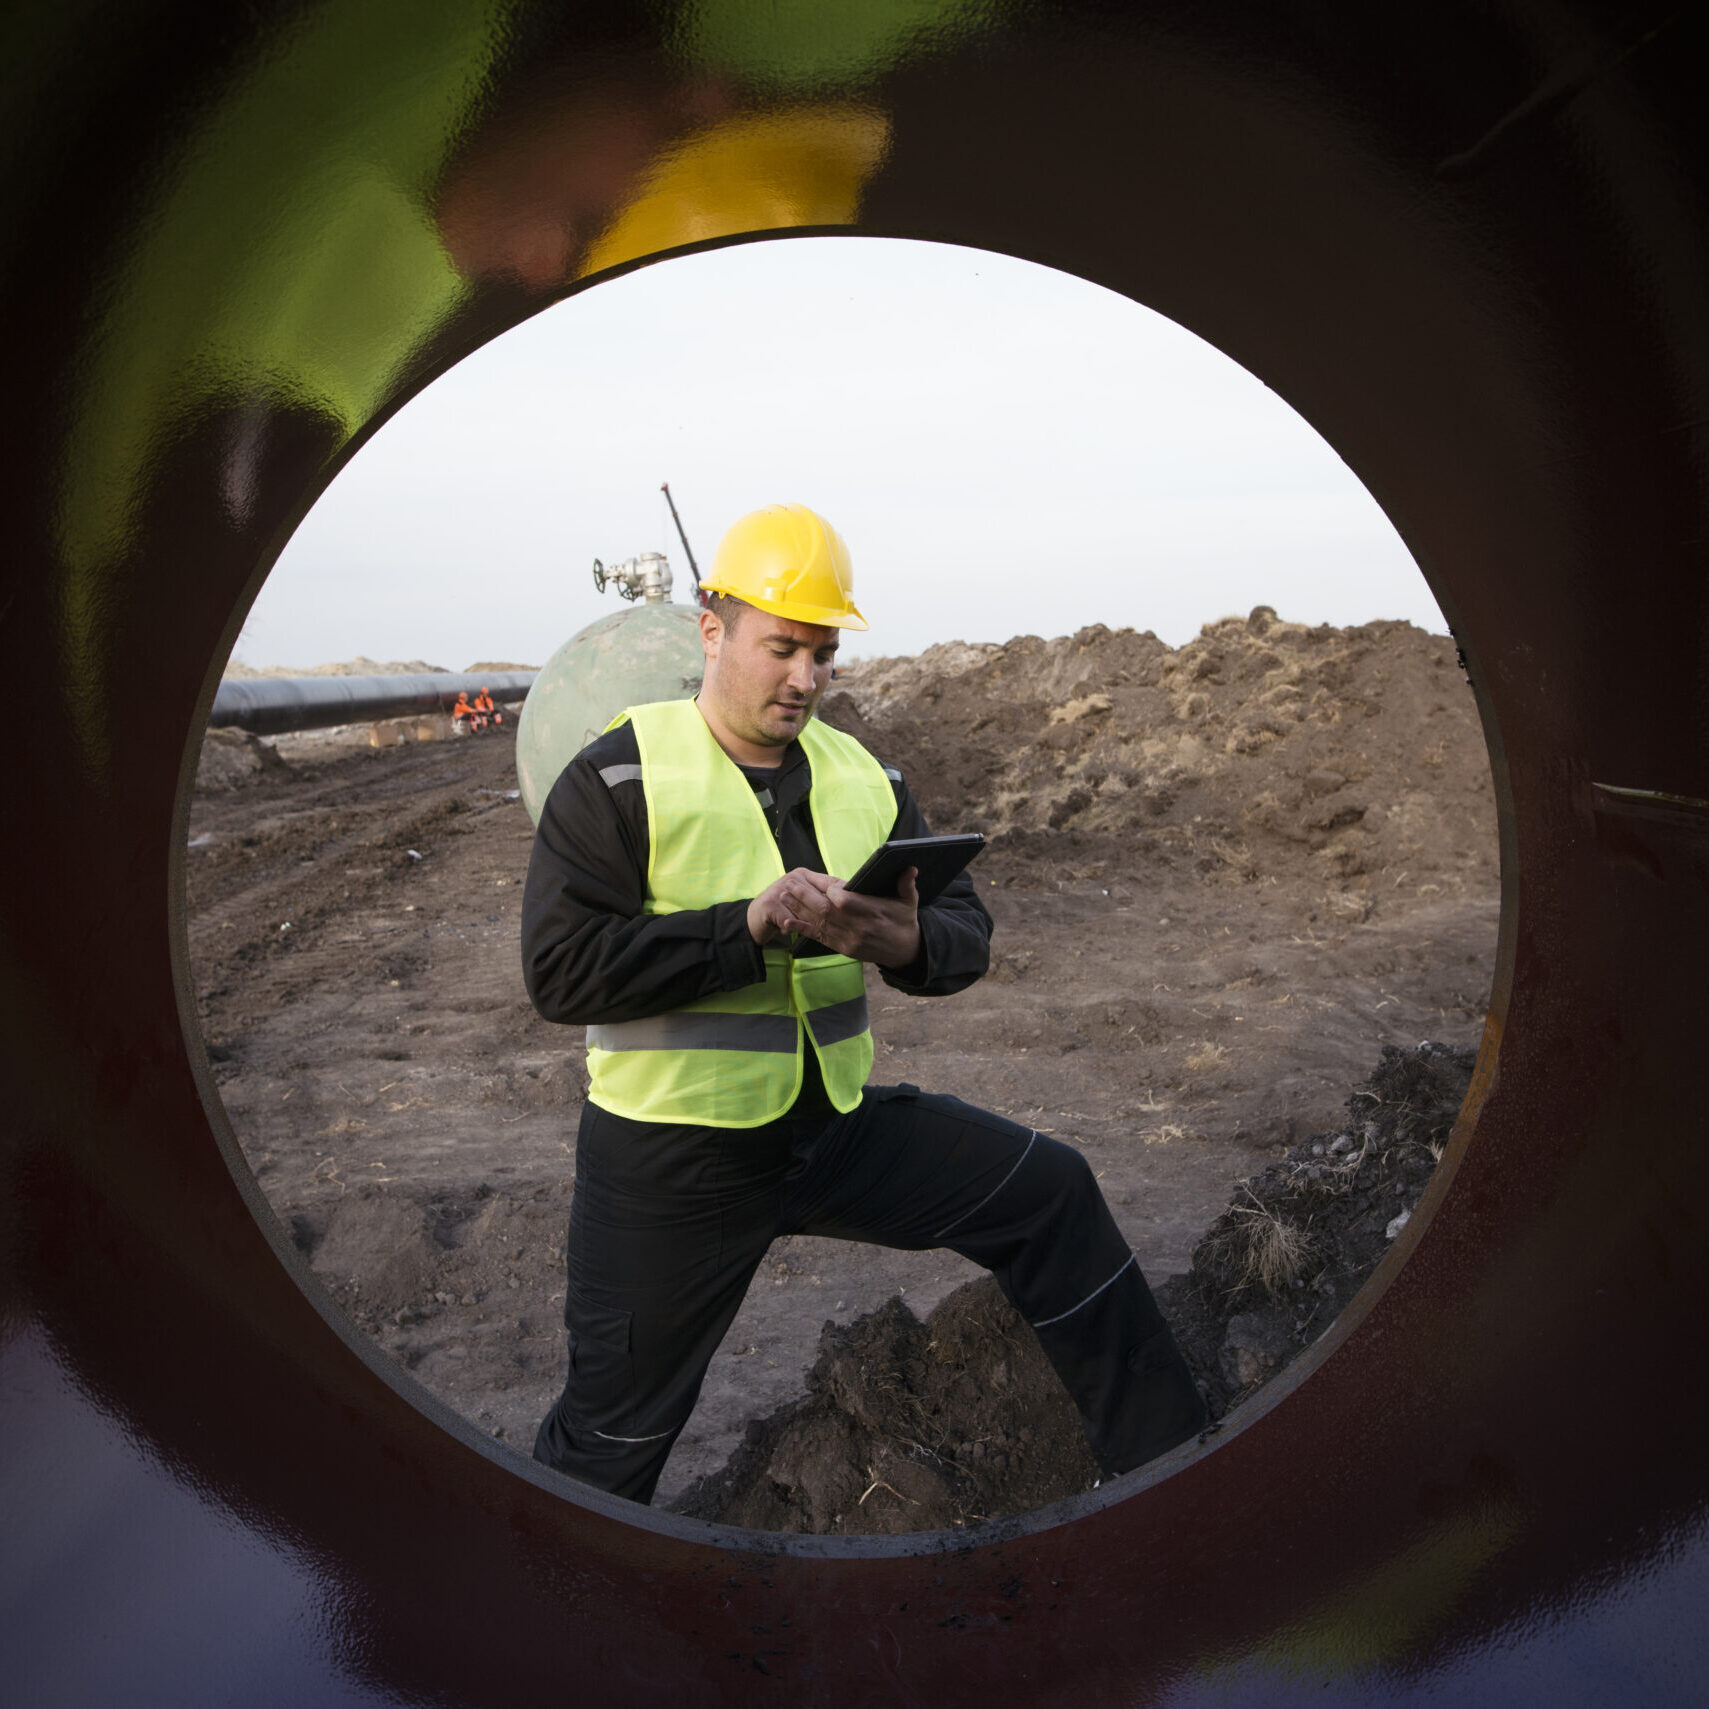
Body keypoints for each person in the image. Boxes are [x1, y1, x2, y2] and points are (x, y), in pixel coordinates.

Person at [521, 503, 1205, 1505]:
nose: (804, 677)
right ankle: (532, 1621)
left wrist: (911, 942)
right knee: (608, 1439)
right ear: (710, 632)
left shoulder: (866, 777)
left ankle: (1172, 1475)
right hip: (671, 1160)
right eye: (781, 647)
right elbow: (561, 971)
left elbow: (963, 932)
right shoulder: (617, 777)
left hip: (831, 1130)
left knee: (1050, 1192)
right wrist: (741, 928)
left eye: (822, 652)